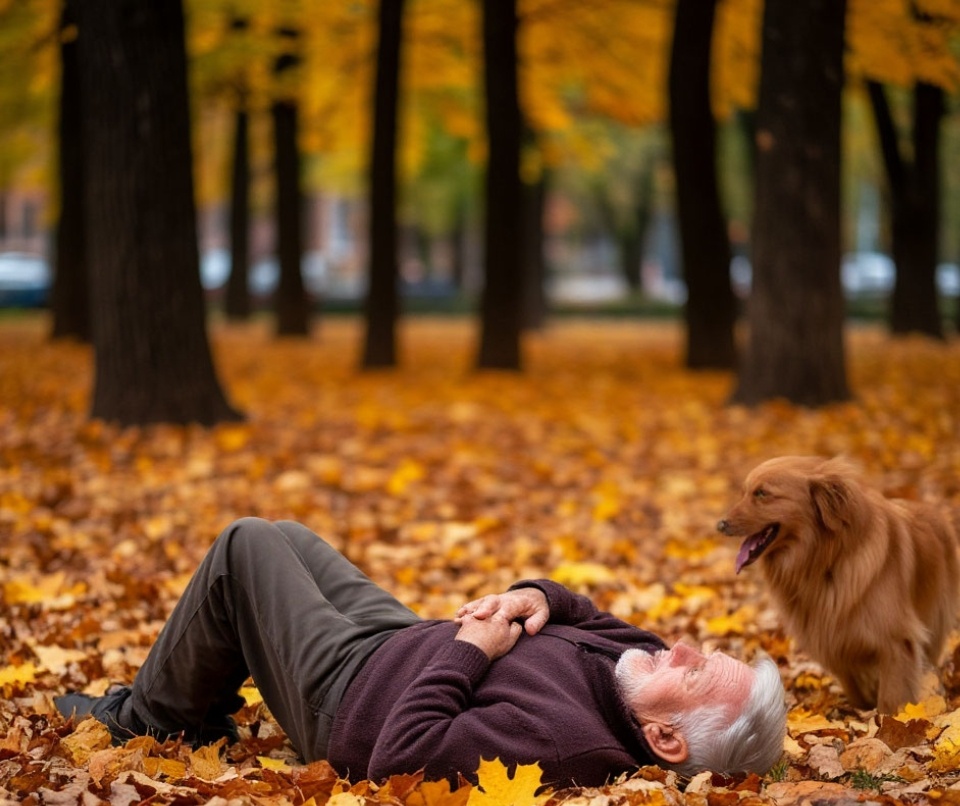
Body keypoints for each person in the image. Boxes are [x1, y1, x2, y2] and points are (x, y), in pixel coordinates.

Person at [56, 518, 787, 788]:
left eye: (693, 672)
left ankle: (147, 718)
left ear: (663, 740)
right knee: (292, 536)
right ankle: (189, 703)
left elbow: (402, 758)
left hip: (345, 698)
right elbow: (587, 611)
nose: (681, 647)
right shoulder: (640, 666)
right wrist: (535, 596)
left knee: (245, 546)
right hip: (402, 641)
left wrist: (471, 647)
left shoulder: (561, 743)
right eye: (701, 651)